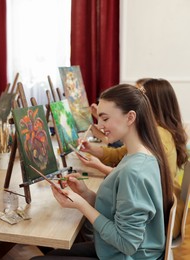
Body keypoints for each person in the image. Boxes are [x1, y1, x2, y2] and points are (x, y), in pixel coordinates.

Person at [32, 84, 174, 259]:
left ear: (130, 117)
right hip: (116, 250)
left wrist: (81, 205)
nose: (99, 125)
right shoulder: (142, 155)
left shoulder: (134, 172)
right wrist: (85, 194)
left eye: (105, 119)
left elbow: (127, 244)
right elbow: (116, 211)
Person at [77, 78, 188, 238]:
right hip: (142, 226)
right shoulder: (146, 142)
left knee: (84, 227)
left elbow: (127, 241)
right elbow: (120, 154)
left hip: (148, 229)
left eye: (140, 95)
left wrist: (82, 203)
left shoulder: (154, 142)